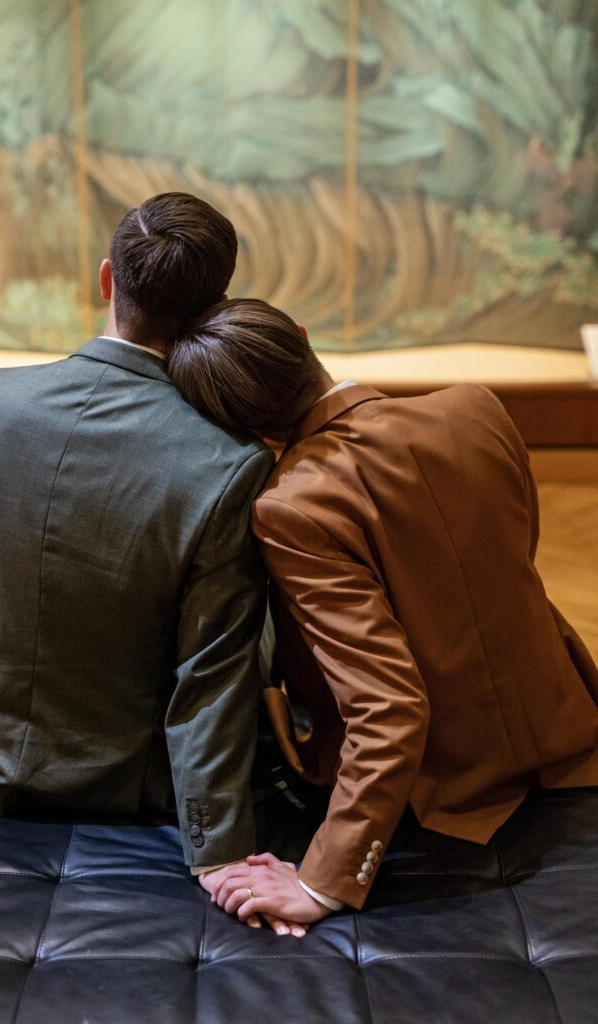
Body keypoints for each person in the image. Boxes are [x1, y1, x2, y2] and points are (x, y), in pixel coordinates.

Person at [166, 297, 598, 926]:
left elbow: (390, 704)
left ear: (243, 429)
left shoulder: (293, 505)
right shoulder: (476, 408)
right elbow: (510, 566)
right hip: (567, 729)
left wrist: (322, 883)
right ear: (305, 338)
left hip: (442, 791)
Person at [0, 194, 282, 918]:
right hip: (126, 785)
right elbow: (208, 674)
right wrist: (216, 851)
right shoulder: (228, 461)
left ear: (106, 280)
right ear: (216, 305)